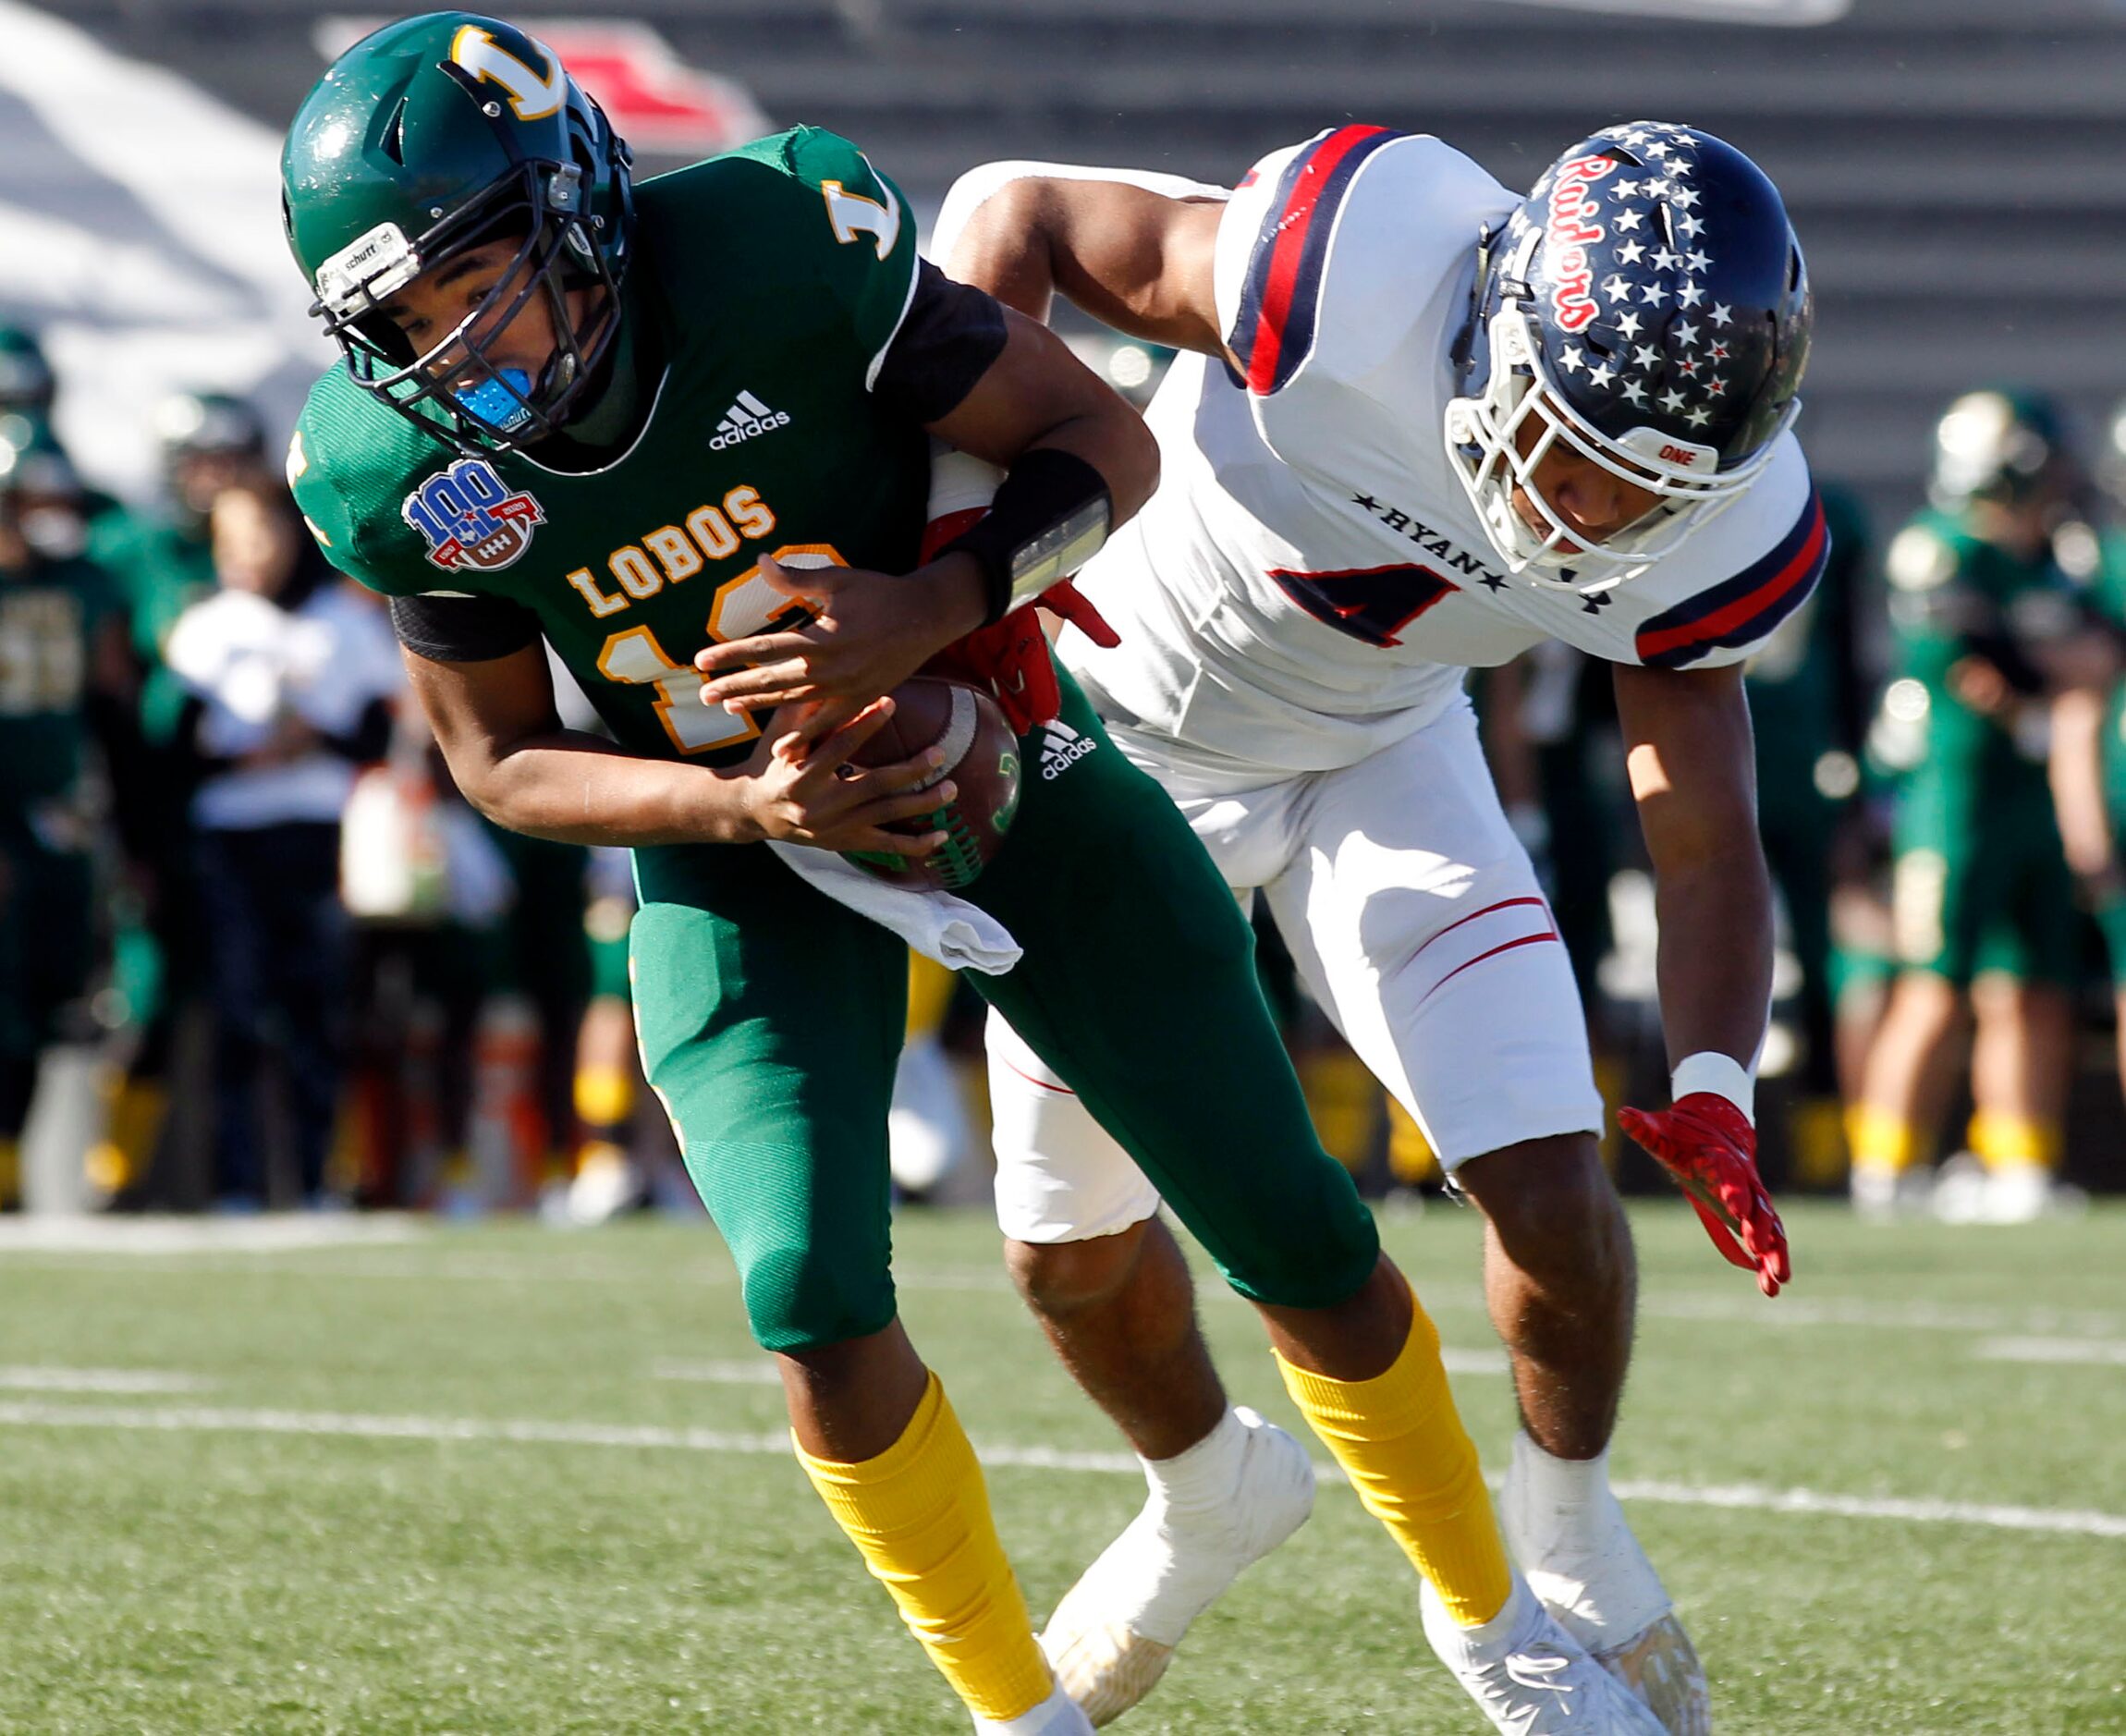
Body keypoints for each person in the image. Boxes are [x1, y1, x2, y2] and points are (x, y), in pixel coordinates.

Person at [279, 17, 1660, 1735]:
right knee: (805, 1292)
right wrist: (744, 815)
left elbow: (1104, 442)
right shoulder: (392, 469)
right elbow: (500, 762)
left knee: (1290, 1220)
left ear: (574, 207)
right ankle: (1023, 1715)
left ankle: (1502, 1628)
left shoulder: (781, 241)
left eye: (474, 284)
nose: (455, 352)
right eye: (404, 327)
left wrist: (935, 609)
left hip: (997, 756)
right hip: (744, 851)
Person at [922, 119, 1814, 1734]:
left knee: (1547, 1172)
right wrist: (968, 547)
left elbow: (1702, 826)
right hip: (1115, 740)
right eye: (1587, 448)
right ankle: (1205, 1491)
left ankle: (1566, 1522)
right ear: (1496, 328)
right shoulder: (1352, 272)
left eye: (1653, 484)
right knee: (1063, 1257)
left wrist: (1718, 1084)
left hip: (1377, 747)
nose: (1605, 511)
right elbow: (1016, 210)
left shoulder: (1704, 527)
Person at [1847, 391, 2105, 1224]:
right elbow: (1986, 668)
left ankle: (2019, 1160)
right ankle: (1884, 1165)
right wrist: (2052, 663)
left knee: (2031, 986)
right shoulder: (1943, 549)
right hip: (1952, 802)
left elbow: (2098, 657)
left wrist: (2047, 661)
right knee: (1934, 988)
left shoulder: (2059, 558)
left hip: (2031, 799)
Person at [165, 474, 401, 1207]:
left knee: (320, 1010)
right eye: (231, 541)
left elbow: (379, 731)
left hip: (320, 834)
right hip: (233, 839)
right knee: (240, 1007)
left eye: (262, 536)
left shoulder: (342, 621)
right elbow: (168, 748)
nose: (249, 555)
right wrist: (245, 757)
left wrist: (313, 740)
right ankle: (237, 1180)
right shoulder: (204, 630)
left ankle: (314, 1175)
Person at [0, 421, 132, 1204]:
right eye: (22, 498)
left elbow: (113, 708)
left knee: (58, 991)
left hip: (56, 816)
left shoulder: (83, 585)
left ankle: (15, 1165)